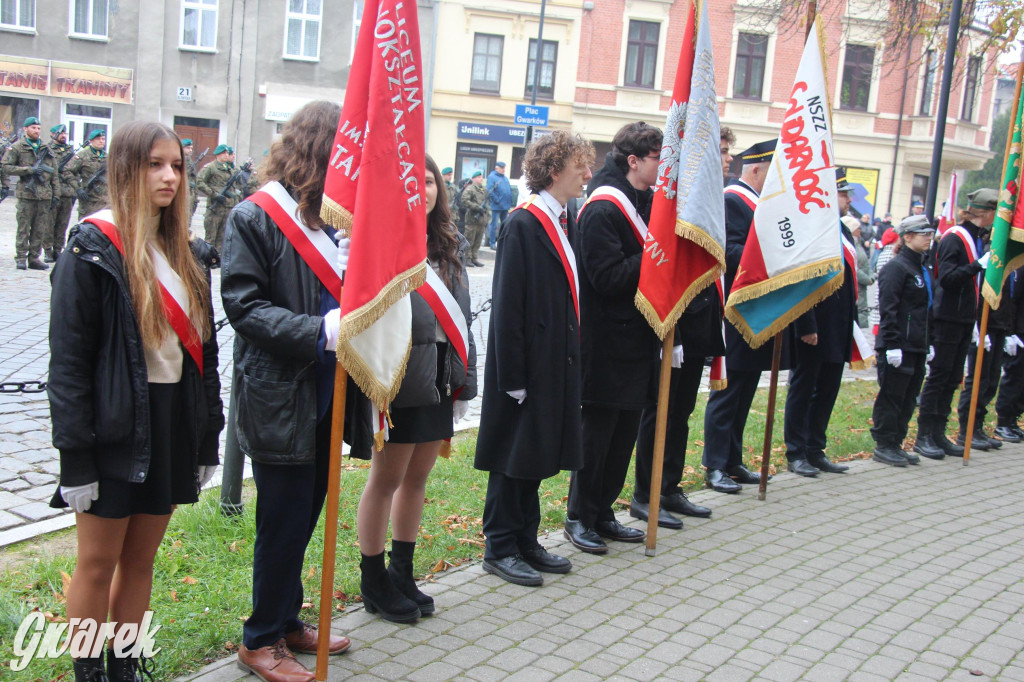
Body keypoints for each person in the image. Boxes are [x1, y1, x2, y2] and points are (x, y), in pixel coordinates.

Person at [47, 120, 224, 681]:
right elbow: (69, 367)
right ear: (125, 169)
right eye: (154, 164)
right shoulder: (92, 249)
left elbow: (206, 360)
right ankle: (88, 672)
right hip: (112, 428)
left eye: (176, 165)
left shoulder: (188, 253)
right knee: (97, 563)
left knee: (141, 561)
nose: (169, 176)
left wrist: (205, 437)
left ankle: (124, 667)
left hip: (170, 424)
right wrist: (74, 458)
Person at [222, 101, 368, 682]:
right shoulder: (254, 217)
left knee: (306, 513)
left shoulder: (333, 222)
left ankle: (285, 618)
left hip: (327, 393)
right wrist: (316, 330)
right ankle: (258, 640)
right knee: (281, 521)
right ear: (319, 150)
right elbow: (243, 305)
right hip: (280, 394)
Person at [356, 154, 477, 622]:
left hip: (440, 379)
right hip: (399, 379)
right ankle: (373, 579)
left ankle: (401, 571)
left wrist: (465, 383)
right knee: (385, 480)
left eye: (429, 182)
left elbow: (462, 320)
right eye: (414, 183)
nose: (422, 190)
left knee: (418, 479)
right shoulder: (383, 243)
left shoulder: (449, 243)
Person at [475, 130, 593, 587]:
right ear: (554, 170)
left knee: (537, 453)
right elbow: (508, 306)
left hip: (554, 360)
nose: (587, 174)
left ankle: (526, 537)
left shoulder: (566, 219)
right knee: (513, 455)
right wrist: (514, 376)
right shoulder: (524, 223)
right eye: (580, 165)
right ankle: (499, 545)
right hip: (524, 366)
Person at [564, 122, 660, 554]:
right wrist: (653, 252)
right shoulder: (603, 209)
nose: (665, 167)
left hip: (639, 341)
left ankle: (604, 511)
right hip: (606, 344)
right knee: (598, 435)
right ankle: (580, 516)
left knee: (625, 435)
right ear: (634, 161)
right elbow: (605, 279)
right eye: (659, 158)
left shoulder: (652, 202)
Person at [630, 126, 733, 526]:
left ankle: (669, 488)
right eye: (719, 152)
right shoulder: (670, 200)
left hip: (698, 322)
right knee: (660, 412)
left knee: (682, 411)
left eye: (725, 152)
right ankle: (646, 494)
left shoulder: (707, 201)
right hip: (672, 322)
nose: (724, 159)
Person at [701, 140, 780, 493]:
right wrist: (766, 254)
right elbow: (728, 251)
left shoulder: (759, 203)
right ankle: (715, 464)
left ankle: (732, 459)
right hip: (734, 308)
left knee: (746, 387)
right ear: (756, 169)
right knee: (727, 391)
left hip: (755, 308)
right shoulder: (734, 200)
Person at [782, 168, 858, 477]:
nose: (848, 199)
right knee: (804, 389)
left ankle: (816, 448)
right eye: (844, 194)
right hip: (814, 325)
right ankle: (796, 451)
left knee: (827, 388)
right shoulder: (810, 228)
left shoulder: (843, 230)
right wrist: (806, 325)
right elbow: (802, 280)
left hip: (839, 325)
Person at [914, 188, 998, 460]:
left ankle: (939, 433)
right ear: (984, 213)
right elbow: (947, 279)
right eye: (996, 213)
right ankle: (923, 435)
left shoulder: (976, 238)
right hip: (947, 318)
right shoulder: (955, 238)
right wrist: (976, 266)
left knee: (953, 378)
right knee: (939, 376)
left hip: (963, 318)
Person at [871, 215, 934, 466]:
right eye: (923, 234)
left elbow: (925, 309)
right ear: (907, 237)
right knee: (892, 395)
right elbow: (889, 309)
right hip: (898, 344)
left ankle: (896, 441)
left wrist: (929, 343)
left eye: (930, 233)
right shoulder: (896, 268)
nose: (929, 238)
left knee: (909, 397)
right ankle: (884, 443)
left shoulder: (921, 266)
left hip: (917, 343)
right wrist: (892, 345)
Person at [2, 116, 57, 270]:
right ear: (25, 129)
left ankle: (34, 258)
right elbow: (6, 166)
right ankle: (21, 257)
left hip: (44, 195)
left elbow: (54, 173)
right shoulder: (18, 147)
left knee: (40, 229)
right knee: (24, 228)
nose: (36, 131)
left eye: (38, 128)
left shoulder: (46, 148)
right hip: (26, 194)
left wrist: (56, 195)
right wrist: (28, 170)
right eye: (33, 128)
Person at [197, 144, 253, 253]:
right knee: (211, 237)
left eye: (228, 153)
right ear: (219, 154)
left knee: (222, 238)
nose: (228, 155)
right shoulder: (210, 167)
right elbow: (200, 182)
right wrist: (214, 194)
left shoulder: (229, 169)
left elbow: (237, 185)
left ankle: (217, 259)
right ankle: (208, 259)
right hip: (215, 208)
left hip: (227, 208)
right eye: (225, 153)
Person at [994, 267, 1024, 442]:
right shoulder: (1019, 266)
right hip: (1019, 330)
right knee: (1014, 376)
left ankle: (1013, 419)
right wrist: (1010, 332)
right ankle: (1004, 421)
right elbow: (1013, 299)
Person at [46, 123, 77, 263]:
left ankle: (58, 250)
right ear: (53, 135)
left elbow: (74, 171)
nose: (64, 136)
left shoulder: (70, 151)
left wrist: (75, 188)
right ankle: (47, 251)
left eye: (65, 133)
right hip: (53, 191)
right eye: (61, 133)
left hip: (67, 192)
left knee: (62, 224)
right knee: (49, 223)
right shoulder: (47, 150)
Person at [67, 129, 109, 221]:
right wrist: (78, 189)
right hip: (88, 201)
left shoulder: (108, 157)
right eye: (98, 139)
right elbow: (67, 171)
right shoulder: (82, 155)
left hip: (105, 202)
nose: (101, 141)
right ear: (91, 141)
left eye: (103, 139)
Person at [846, 215, 874, 328]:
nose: (860, 230)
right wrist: (867, 279)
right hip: (857, 284)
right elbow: (854, 267)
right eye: (857, 228)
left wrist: (871, 275)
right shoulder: (850, 244)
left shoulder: (859, 243)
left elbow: (867, 263)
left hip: (862, 288)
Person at [461, 170, 488, 266]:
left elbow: (486, 204)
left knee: (478, 240)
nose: (481, 179)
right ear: (474, 179)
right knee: (470, 239)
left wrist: (486, 215)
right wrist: (477, 207)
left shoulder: (483, 190)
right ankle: (467, 258)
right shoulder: (470, 189)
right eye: (479, 177)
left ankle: (474, 258)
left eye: (482, 177)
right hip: (472, 218)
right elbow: (464, 201)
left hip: (481, 219)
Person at [486, 160, 513, 247]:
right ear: (496, 168)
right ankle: (492, 242)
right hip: (496, 206)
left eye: (504, 168)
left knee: (504, 225)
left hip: (505, 206)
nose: (503, 170)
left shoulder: (505, 178)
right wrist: (497, 200)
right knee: (494, 225)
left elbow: (508, 190)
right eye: (501, 168)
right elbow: (490, 191)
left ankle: (502, 243)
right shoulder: (492, 177)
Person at [182, 138, 200, 219]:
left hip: (190, 193)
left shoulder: (190, 161)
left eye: (191, 148)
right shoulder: (179, 160)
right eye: (188, 148)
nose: (190, 150)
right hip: (182, 193)